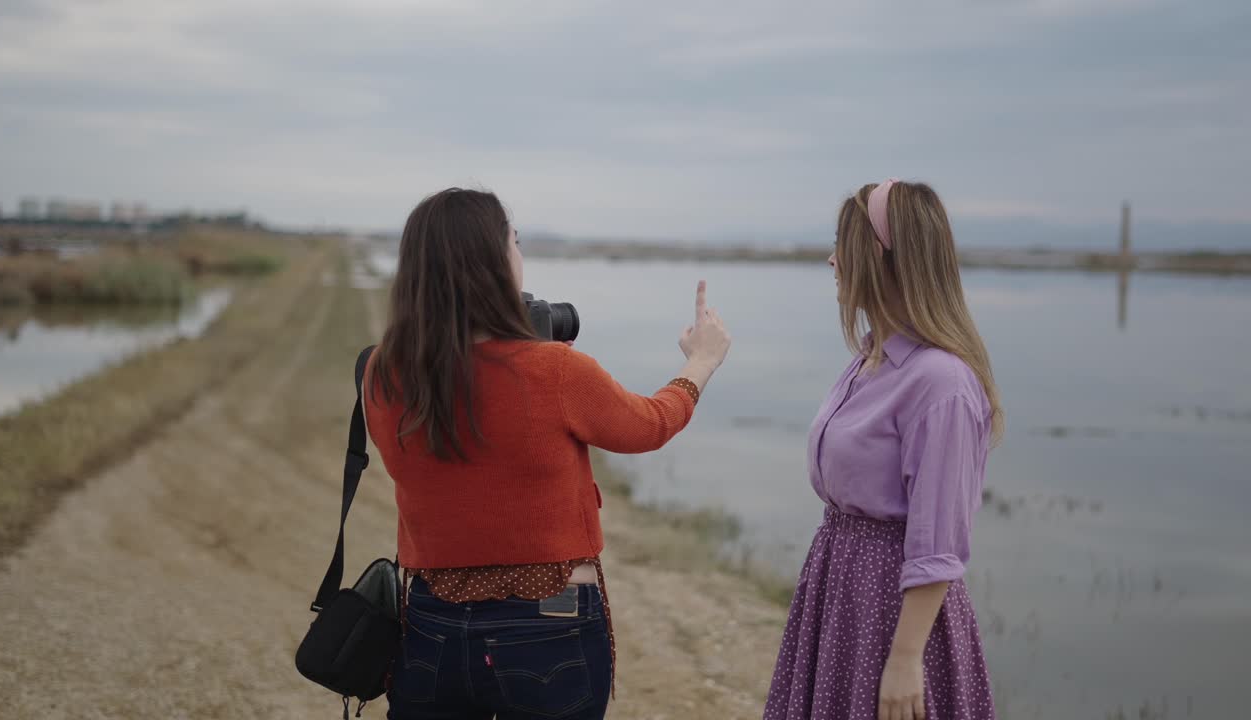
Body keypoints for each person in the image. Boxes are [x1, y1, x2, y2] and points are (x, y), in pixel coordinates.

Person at [362, 188, 732, 720]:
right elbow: (650, 425)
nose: (519, 254)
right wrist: (701, 361)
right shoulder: (554, 369)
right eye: (514, 241)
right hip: (549, 621)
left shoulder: (383, 372)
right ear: (493, 262)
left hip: (431, 621)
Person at [763, 179, 1002, 720]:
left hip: (893, 608)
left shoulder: (941, 381)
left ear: (880, 257)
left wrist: (905, 658)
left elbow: (939, 539)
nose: (831, 260)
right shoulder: (870, 359)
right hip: (841, 587)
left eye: (842, 245)